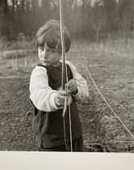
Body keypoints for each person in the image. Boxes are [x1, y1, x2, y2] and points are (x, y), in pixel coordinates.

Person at [29, 19, 89, 151]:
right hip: (52, 139)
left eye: (50, 50)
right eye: (41, 48)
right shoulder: (39, 72)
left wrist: (76, 90)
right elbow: (39, 94)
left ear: (63, 51)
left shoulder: (68, 67)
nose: (44, 54)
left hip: (74, 133)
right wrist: (55, 98)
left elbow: (84, 90)